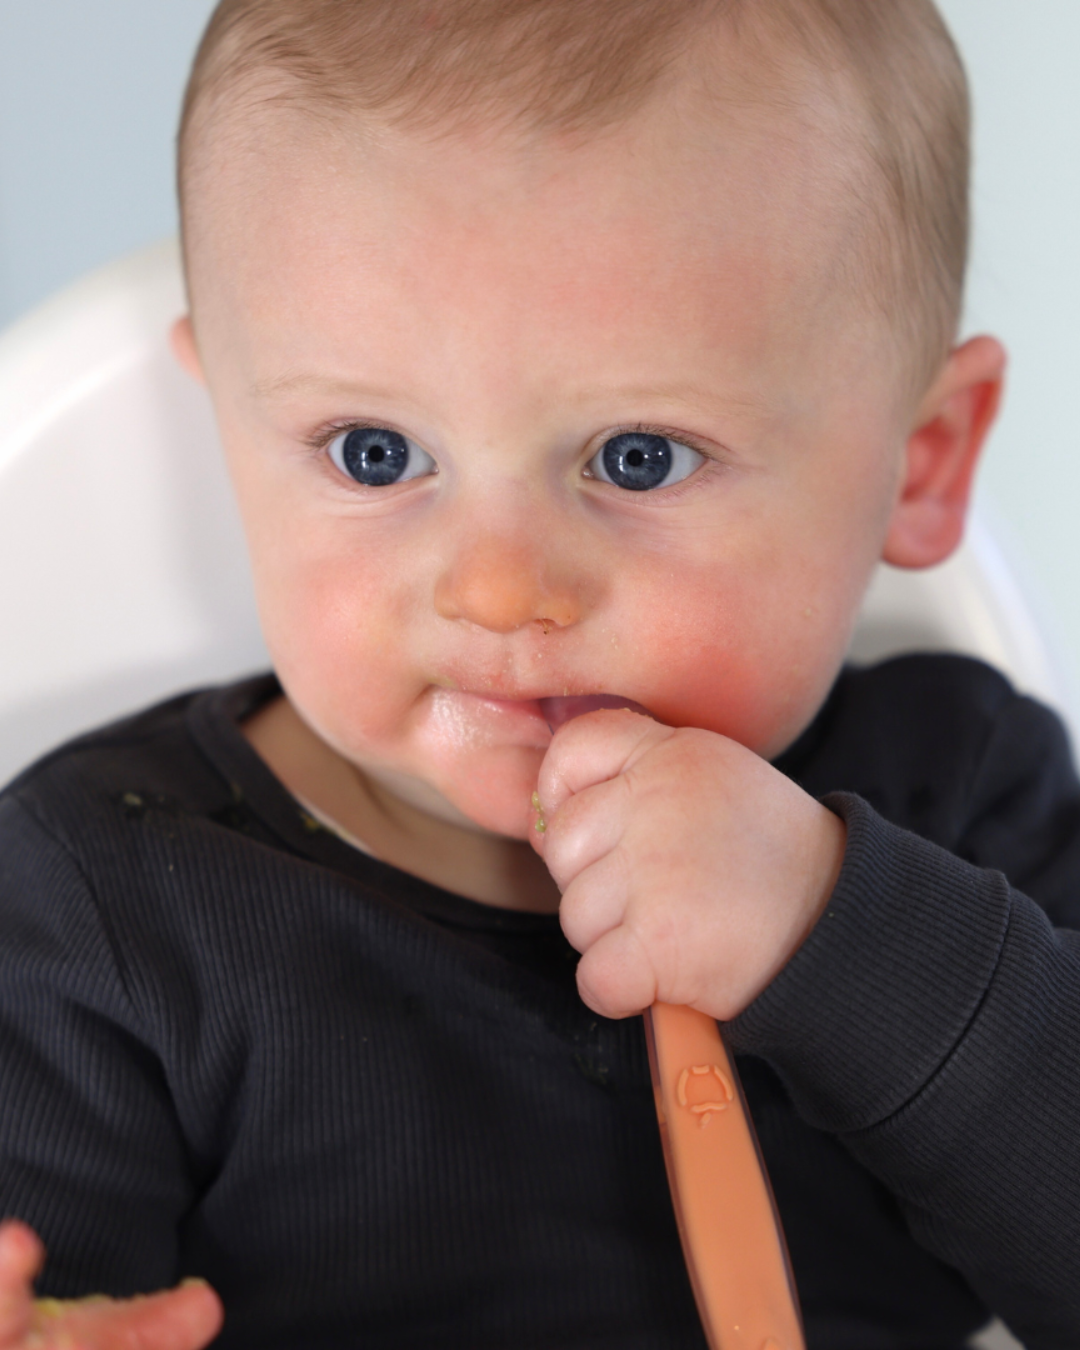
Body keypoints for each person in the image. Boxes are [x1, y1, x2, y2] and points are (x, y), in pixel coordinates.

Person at [0, 0, 1077, 1345]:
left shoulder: (960, 799)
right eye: (374, 453)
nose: (500, 590)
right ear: (227, 423)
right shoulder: (96, 908)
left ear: (921, 461)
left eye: (639, 458)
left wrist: (833, 931)